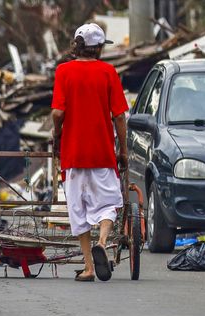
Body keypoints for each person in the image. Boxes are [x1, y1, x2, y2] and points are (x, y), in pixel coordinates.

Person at [52, 22, 129, 282]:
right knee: (108, 205)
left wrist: (56, 134)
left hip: (73, 155)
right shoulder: (108, 72)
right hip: (102, 153)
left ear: (77, 45)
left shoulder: (63, 72)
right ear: (98, 49)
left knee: (78, 210)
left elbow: (57, 112)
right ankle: (103, 242)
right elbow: (120, 116)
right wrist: (124, 151)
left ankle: (87, 267)